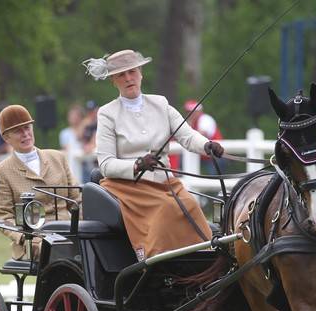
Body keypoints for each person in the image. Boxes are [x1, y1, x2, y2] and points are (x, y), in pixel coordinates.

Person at [84, 49, 224, 261]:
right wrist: (137, 165)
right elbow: (105, 164)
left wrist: (207, 145)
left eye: (132, 72)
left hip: (166, 183)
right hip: (129, 188)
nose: (128, 78)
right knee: (166, 209)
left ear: (141, 73)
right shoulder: (107, 113)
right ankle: (154, 260)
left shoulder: (161, 103)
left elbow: (187, 136)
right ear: (113, 81)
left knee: (190, 205)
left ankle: (204, 261)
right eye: (121, 74)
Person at [0, 104, 80, 260]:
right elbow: (4, 217)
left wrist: (84, 228)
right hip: (34, 239)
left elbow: (77, 200)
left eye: (27, 128)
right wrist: (24, 237)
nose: (25, 134)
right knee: (59, 251)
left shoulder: (58, 158)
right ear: (6, 138)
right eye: (18, 131)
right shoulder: (1, 173)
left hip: (68, 230)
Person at [184, 99, 226, 174]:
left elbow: (202, 134)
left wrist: (188, 127)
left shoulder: (205, 119)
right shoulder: (191, 122)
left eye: (192, 112)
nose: (189, 114)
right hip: (203, 156)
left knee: (215, 178)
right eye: (188, 112)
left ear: (199, 111)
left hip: (215, 156)